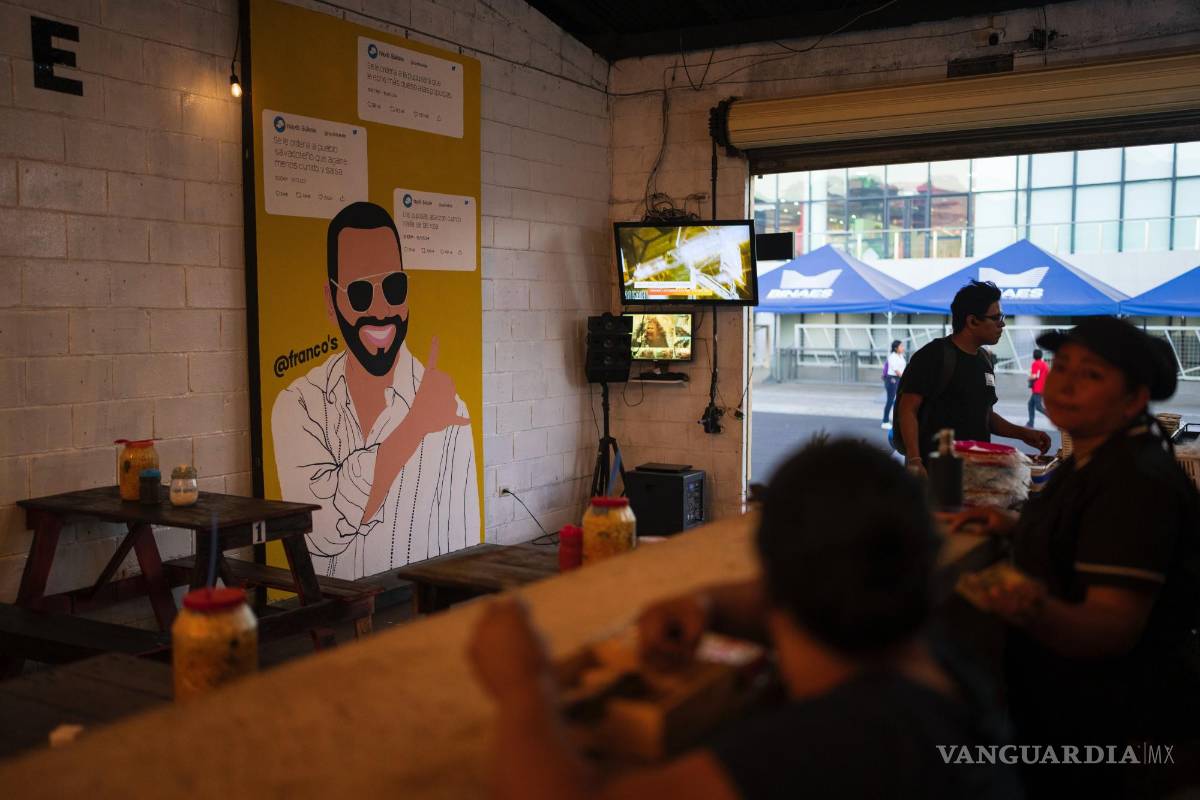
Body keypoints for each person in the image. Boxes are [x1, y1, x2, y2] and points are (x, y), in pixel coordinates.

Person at [468, 439, 1021, 800]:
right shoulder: (937, 665)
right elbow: (773, 597)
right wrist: (705, 606)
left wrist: (523, 687)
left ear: (780, 578)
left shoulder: (832, 748)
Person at [951, 317, 1200, 798]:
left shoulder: (1134, 482)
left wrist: (1024, 601)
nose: (1064, 382)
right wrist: (1015, 526)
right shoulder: (1097, 455)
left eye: (1091, 374)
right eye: (1062, 366)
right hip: (1071, 707)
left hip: (1110, 726)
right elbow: (1090, 536)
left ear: (1134, 398)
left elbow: (1108, 628)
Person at [272, 202, 480, 580]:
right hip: (328, 622)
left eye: (394, 287)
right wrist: (413, 427)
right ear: (331, 302)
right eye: (360, 295)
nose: (382, 309)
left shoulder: (450, 412)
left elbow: (463, 547)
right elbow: (318, 531)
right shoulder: (298, 406)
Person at [895, 280, 1050, 473]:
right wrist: (915, 460)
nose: (1002, 324)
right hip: (936, 473)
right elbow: (907, 410)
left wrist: (1023, 433)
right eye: (996, 317)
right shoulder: (933, 356)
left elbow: (986, 415)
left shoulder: (984, 360)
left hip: (975, 474)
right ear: (972, 321)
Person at [882, 339, 906, 429]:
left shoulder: (901, 356)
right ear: (896, 348)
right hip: (892, 379)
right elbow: (897, 371)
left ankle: (897, 420)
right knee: (890, 400)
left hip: (899, 379)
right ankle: (885, 421)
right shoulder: (892, 357)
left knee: (898, 401)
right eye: (901, 346)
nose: (903, 348)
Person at [1025, 349, 1049, 428]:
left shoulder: (1035, 364)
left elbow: (1035, 376)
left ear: (1034, 355)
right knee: (1030, 404)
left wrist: (1029, 378)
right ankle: (1030, 423)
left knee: (1038, 407)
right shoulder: (1045, 364)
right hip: (1043, 388)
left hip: (1037, 389)